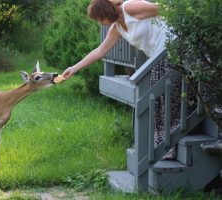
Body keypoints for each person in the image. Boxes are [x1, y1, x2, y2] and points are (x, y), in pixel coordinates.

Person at [62, 0, 181, 159]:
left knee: (158, 93)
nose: (100, 23)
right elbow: (99, 52)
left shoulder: (129, 8)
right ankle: (165, 144)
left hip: (172, 47)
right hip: (158, 58)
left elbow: (165, 10)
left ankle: (169, 143)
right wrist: (74, 68)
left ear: (105, 11)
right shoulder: (117, 27)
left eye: (99, 18)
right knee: (156, 97)